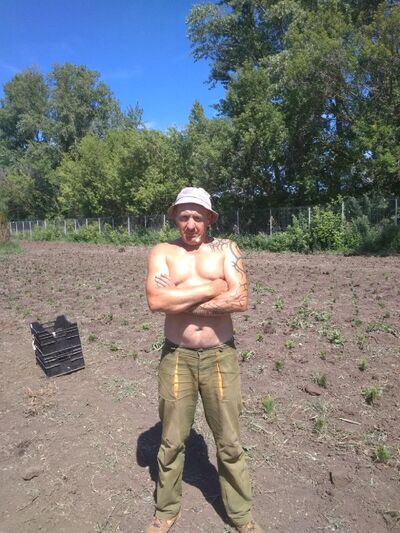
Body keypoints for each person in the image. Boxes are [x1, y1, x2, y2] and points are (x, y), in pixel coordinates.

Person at [145, 187, 263, 533]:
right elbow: (156, 301)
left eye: (198, 216)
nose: (191, 224)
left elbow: (240, 300)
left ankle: (241, 516)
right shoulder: (163, 252)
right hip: (177, 357)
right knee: (171, 440)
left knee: (229, 441)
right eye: (184, 216)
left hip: (219, 357)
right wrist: (213, 288)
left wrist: (178, 297)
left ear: (209, 218)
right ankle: (166, 510)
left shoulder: (227, 249)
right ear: (175, 218)